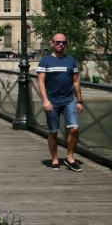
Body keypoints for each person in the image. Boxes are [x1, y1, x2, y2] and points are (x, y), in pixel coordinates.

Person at [36, 33, 84, 171]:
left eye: (63, 42)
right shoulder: (45, 61)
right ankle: (55, 159)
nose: (61, 45)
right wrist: (45, 100)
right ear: (52, 43)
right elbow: (40, 82)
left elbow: (75, 82)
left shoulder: (71, 61)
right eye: (58, 42)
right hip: (52, 101)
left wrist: (80, 101)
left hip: (69, 100)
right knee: (53, 131)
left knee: (74, 128)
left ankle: (69, 157)